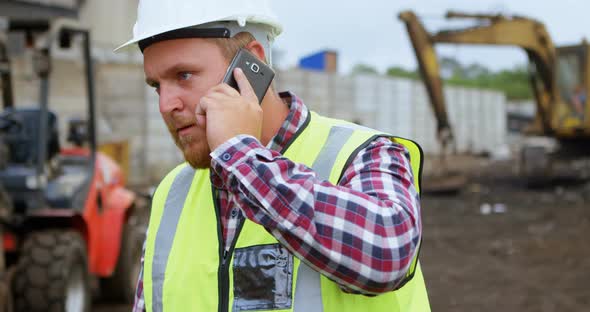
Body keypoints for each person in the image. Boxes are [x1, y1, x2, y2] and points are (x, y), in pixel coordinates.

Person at [118, 1, 430, 311]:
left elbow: (388, 255)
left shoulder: (364, 153)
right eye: (157, 86)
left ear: (251, 64)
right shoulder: (171, 193)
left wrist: (242, 159)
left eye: (184, 75)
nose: (165, 105)